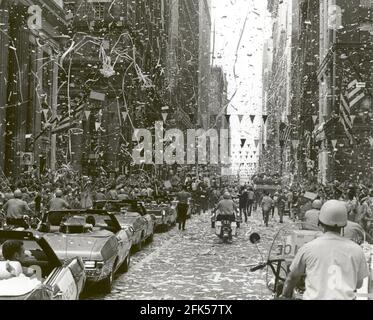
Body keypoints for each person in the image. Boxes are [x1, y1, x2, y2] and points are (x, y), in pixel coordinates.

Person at [281, 200, 369, 300]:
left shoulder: (308, 247)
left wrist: (285, 295)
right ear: (344, 224)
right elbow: (358, 284)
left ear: (320, 222)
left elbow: (292, 277)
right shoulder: (357, 250)